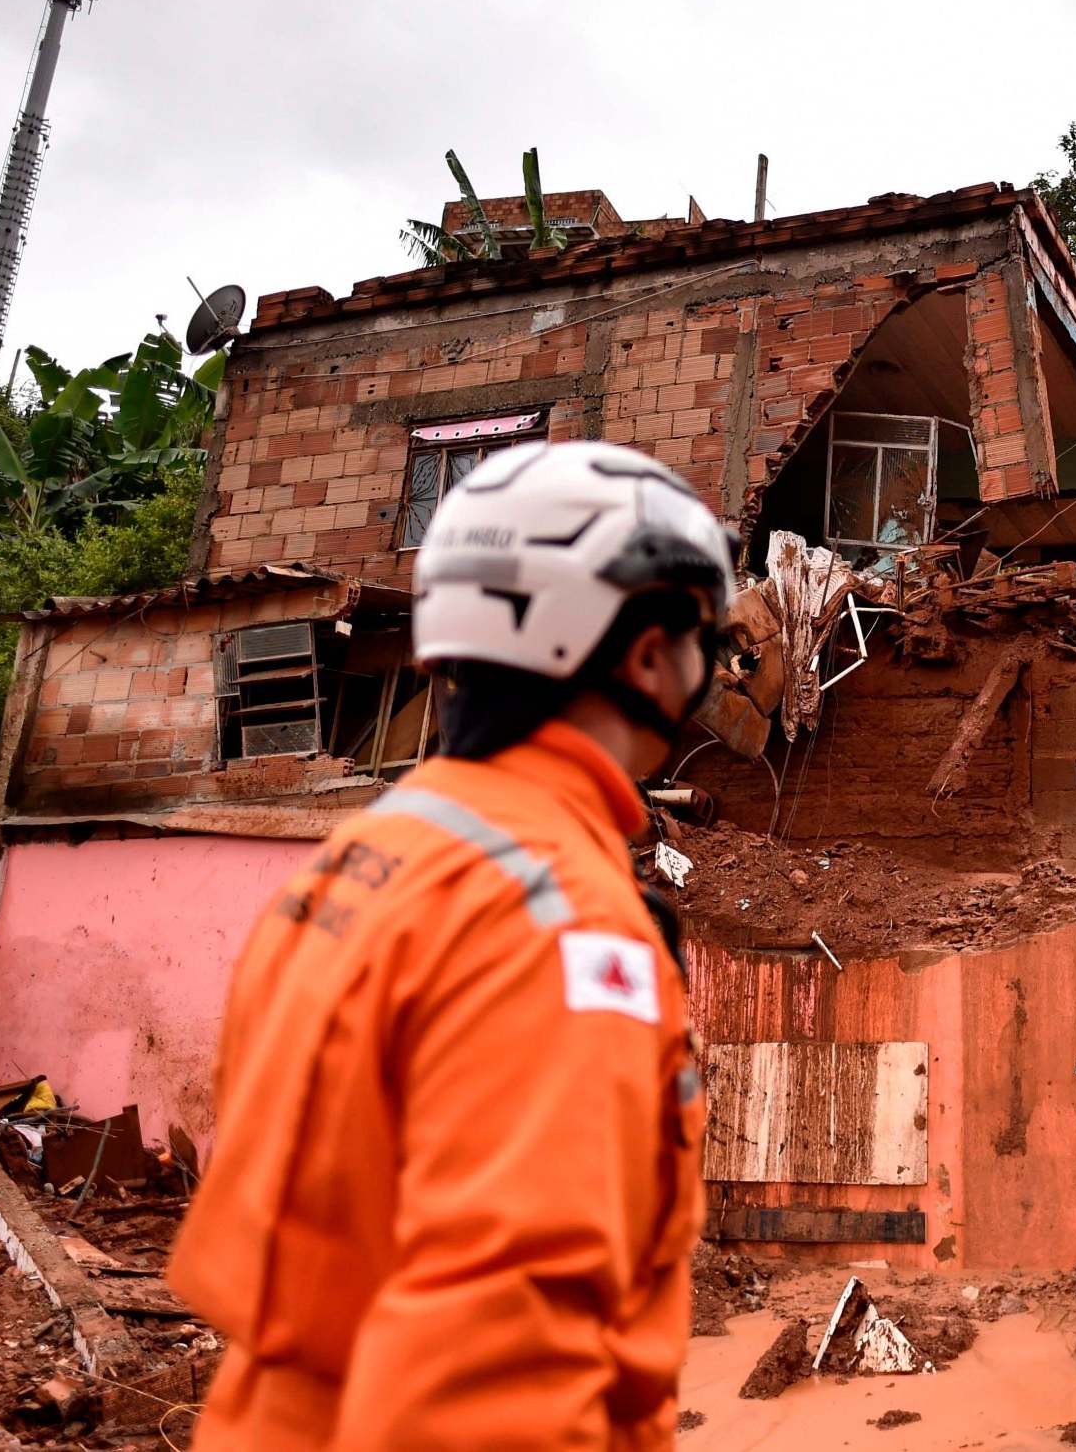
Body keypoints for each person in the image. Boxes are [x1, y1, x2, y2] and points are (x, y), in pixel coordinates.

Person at [169, 442, 734, 1450]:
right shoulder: (565, 922)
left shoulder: (360, 859)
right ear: (646, 653)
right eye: (706, 637)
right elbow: (494, 1359)